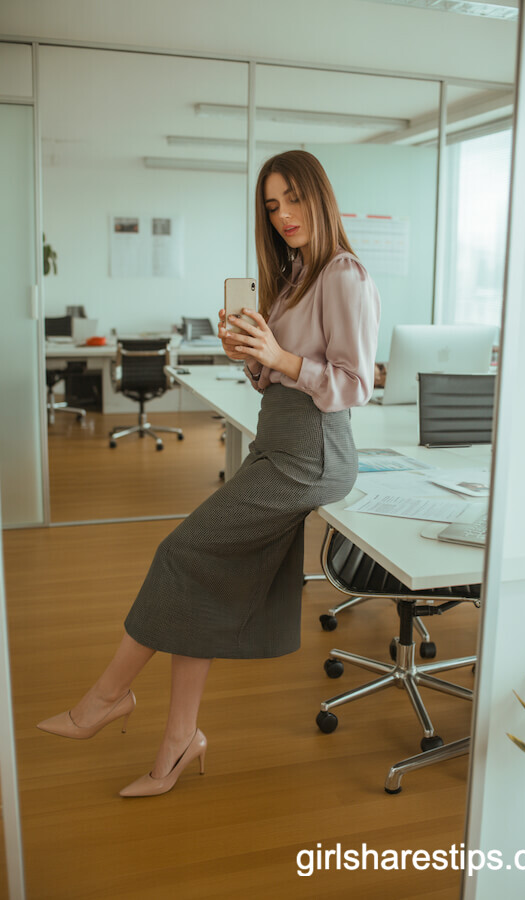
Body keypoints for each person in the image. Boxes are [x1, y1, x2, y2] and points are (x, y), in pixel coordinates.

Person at [37, 150, 381, 797]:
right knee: (201, 574)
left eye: (293, 200)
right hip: (279, 437)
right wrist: (253, 357)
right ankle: (178, 744)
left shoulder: (344, 275)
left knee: (180, 552)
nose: (282, 216)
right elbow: (276, 373)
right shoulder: (292, 276)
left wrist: (278, 353)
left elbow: (355, 386)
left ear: (320, 197)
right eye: (272, 205)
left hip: (313, 453)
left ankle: (107, 698)